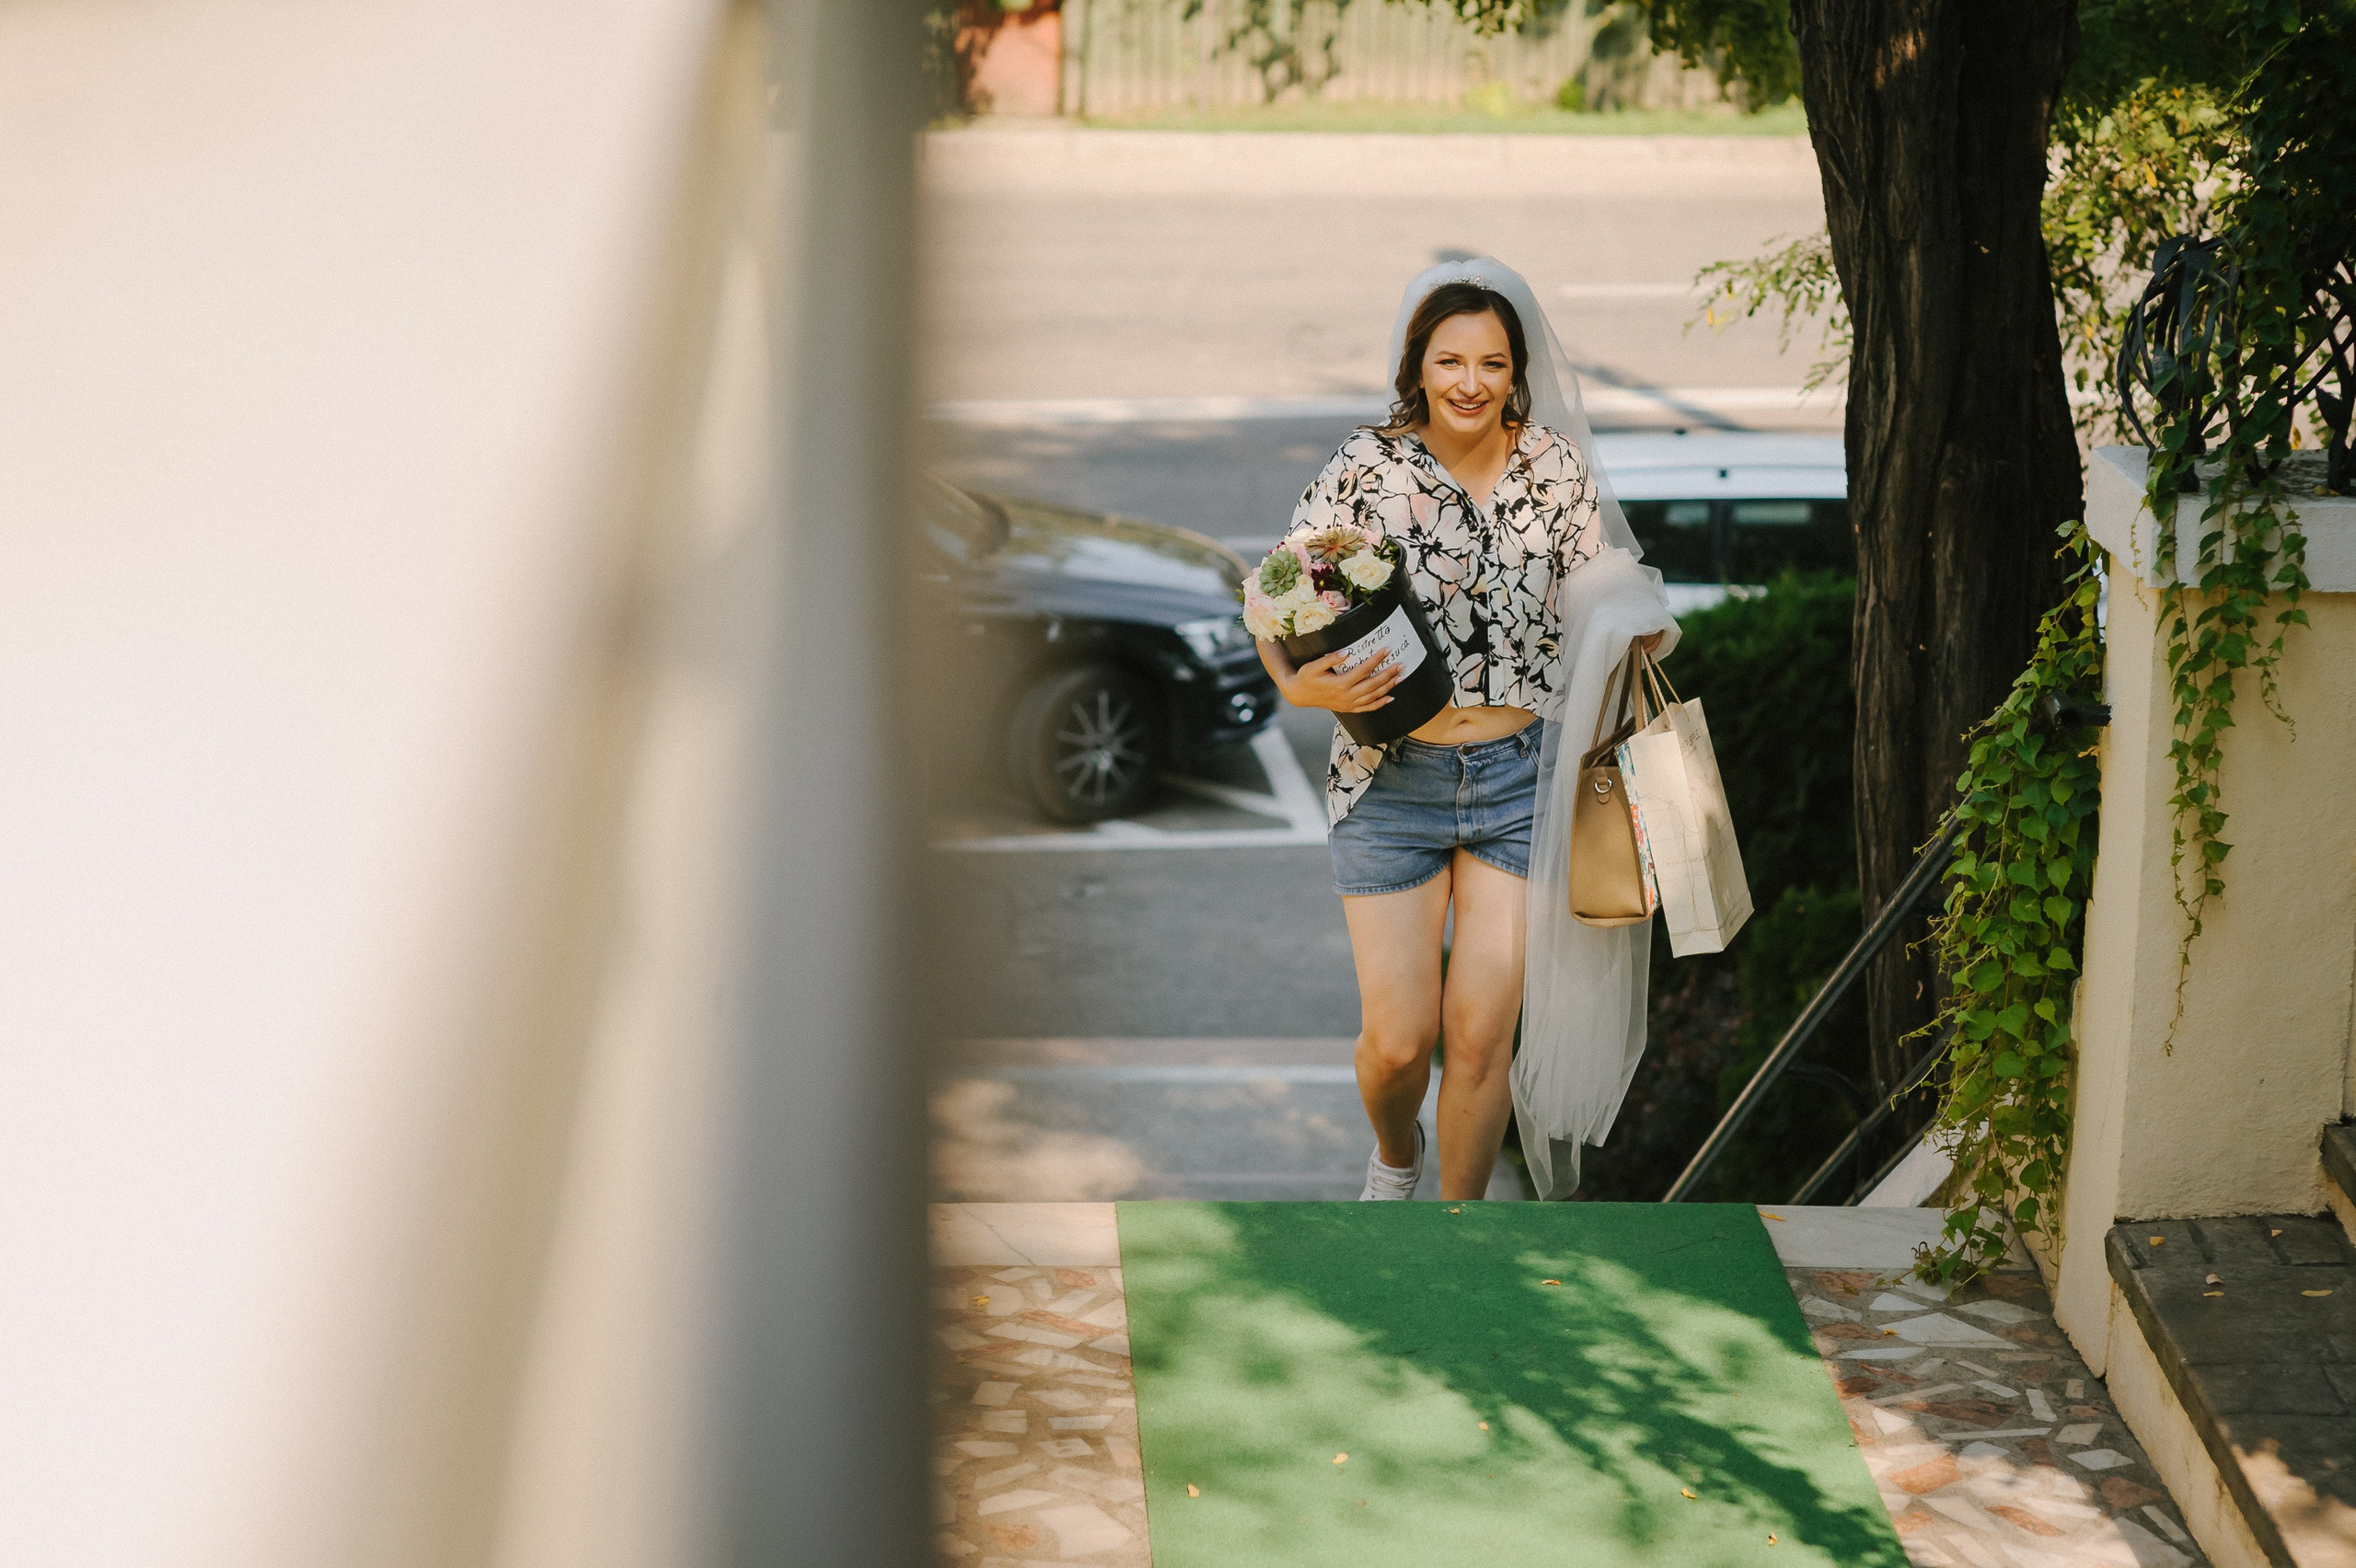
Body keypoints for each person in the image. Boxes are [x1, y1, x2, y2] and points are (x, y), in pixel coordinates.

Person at [1254, 259, 1679, 1202]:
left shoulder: (1553, 467)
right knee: (1399, 1041)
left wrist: (1631, 611)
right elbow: (1272, 597)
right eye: (1449, 361)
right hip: (1388, 778)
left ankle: (1458, 1237)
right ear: (1417, 364)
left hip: (1518, 779)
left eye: (1491, 362)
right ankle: (1394, 1159)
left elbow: (1592, 576)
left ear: (1515, 368)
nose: (1469, 383)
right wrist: (1299, 689)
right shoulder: (1365, 469)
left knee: (1482, 1037)